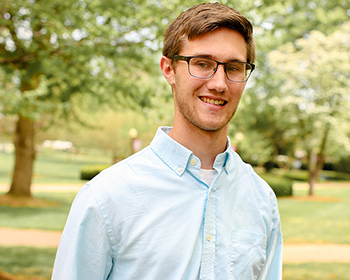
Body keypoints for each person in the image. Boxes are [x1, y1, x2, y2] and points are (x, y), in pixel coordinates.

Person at [52, 3, 283, 279]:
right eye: (202, 64)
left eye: (233, 68)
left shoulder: (261, 199)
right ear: (168, 69)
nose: (219, 83)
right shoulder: (106, 197)